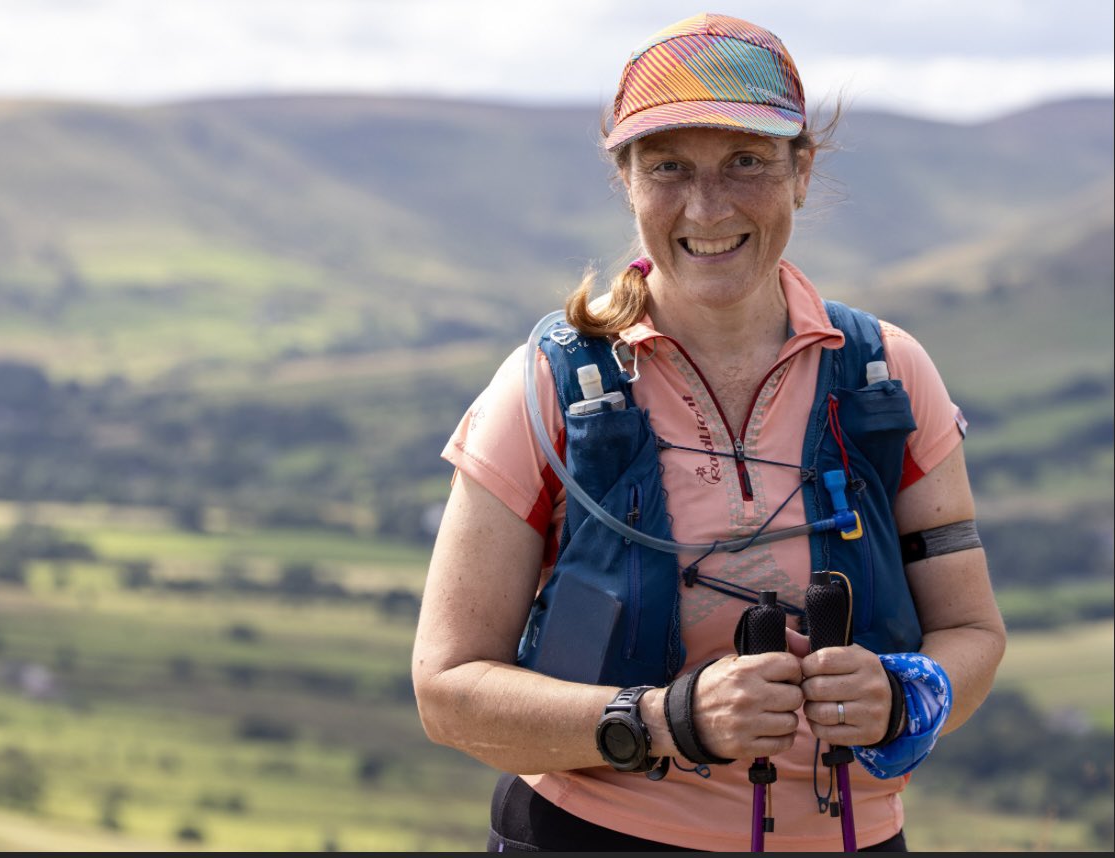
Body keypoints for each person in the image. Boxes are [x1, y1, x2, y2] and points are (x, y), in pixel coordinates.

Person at [412, 11, 1006, 853]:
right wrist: (667, 719)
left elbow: (973, 635)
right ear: (626, 180)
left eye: (745, 162)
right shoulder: (548, 385)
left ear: (800, 170)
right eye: (666, 168)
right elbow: (446, 693)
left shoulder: (886, 374)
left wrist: (907, 695)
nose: (706, 205)